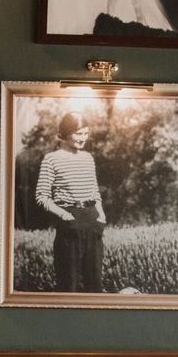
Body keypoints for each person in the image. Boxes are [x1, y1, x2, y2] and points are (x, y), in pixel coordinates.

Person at [35, 112, 106, 292]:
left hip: (92, 219)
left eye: (86, 133)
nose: (83, 138)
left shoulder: (88, 158)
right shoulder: (51, 159)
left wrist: (101, 214)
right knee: (69, 282)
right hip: (69, 220)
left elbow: (95, 192)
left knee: (95, 281)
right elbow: (42, 196)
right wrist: (64, 215)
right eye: (78, 133)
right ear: (65, 134)